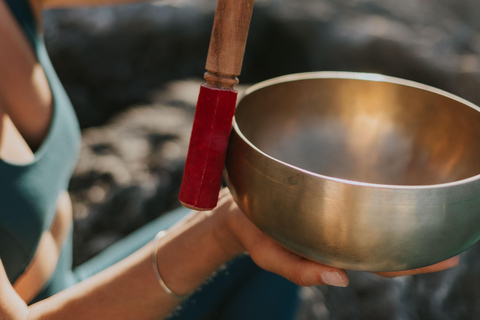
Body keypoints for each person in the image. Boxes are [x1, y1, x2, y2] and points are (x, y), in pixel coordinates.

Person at [0, 0, 459, 319]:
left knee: (276, 236)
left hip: (70, 280)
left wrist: (234, 225)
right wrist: (221, 231)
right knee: (251, 231)